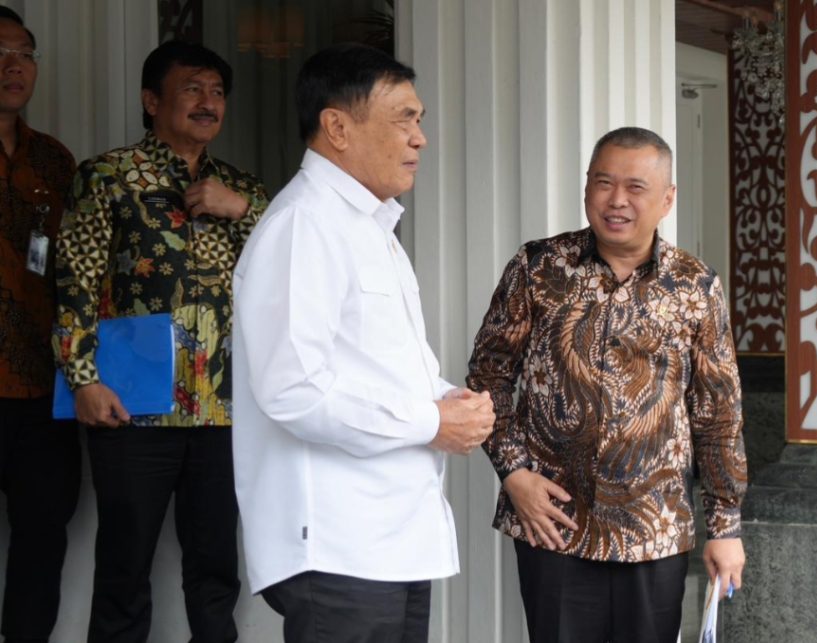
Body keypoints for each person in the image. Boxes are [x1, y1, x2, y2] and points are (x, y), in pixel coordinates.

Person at [232, 43, 495, 643]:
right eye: (403, 119)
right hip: (337, 545)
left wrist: (449, 400)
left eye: (419, 119)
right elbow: (293, 390)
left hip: (393, 539)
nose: (419, 138)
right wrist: (431, 421)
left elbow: (382, 368)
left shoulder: (372, 228)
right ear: (338, 128)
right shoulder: (303, 225)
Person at [467, 127, 748, 643]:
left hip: (654, 530)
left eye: (635, 187)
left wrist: (725, 526)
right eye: (603, 183)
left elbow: (718, 412)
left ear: (667, 199)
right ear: (586, 188)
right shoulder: (538, 267)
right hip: (554, 525)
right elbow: (489, 375)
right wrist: (513, 473)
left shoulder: (695, 285)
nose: (616, 200)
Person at [53, 40, 268, 643]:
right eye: (192, 89)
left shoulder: (241, 188)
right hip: (132, 408)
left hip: (223, 409)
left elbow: (293, 268)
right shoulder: (107, 177)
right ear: (152, 101)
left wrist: (242, 210)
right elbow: (74, 281)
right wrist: (83, 378)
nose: (208, 102)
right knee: (124, 567)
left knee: (216, 567)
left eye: (217, 92)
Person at [0, 7, 80, 642]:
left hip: (41, 384)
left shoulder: (53, 160)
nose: (14, 66)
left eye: (25, 53)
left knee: (43, 533)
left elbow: (74, 269)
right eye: (0, 53)